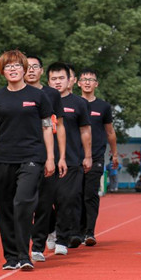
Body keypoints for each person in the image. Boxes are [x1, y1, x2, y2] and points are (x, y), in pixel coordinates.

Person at [0, 50, 55, 270]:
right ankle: (11, 257)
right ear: (2, 71)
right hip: (4, 158)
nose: (12, 69)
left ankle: (24, 255)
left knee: (23, 202)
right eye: (8, 66)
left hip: (31, 157)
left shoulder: (38, 96)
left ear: (24, 69)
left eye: (16, 66)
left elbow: (47, 127)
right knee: (5, 208)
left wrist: (50, 158)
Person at [25, 55, 67, 263]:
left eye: (35, 67)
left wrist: (61, 156)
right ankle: (24, 241)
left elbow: (59, 126)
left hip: (47, 154)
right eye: (27, 66)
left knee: (44, 201)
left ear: (42, 71)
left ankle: (38, 245)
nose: (31, 70)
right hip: (23, 154)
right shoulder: (13, 94)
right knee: (25, 202)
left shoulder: (51, 94)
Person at [47, 62, 92, 255]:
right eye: (53, 79)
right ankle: (49, 228)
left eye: (61, 78)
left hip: (72, 159)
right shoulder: (43, 100)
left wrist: (88, 156)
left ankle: (62, 238)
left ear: (70, 80)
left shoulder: (79, 103)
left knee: (67, 199)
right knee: (44, 201)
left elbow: (85, 131)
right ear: (48, 81)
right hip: (46, 159)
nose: (57, 82)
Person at [78, 68, 119, 246]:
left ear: (96, 84)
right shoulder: (72, 103)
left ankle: (89, 232)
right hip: (74, 157)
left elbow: (110, 132)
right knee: (74, 195)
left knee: (90, 194)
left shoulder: (103, 107)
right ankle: (76, 230)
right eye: (84, 79)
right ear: (78, 83)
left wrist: (114, 154)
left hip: (96, 156)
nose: (87, 82)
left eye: (91, 80)